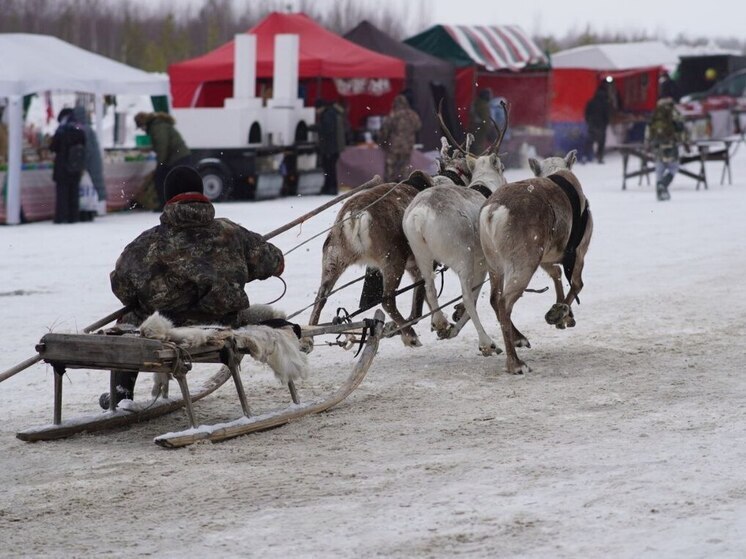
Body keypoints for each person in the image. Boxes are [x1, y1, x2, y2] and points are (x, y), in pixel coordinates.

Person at [100, 166, 285, 408]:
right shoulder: (232, 233)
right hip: (224, 324)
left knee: (129, 318)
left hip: (166, 329)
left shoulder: (146, 243)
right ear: (201, 194)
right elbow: (276, 262)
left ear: (168, 199)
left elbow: (122, 289)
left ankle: (122, 392)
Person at [134, 112, 191, 211]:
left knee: (160, 178)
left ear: (143, 123)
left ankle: (165, 204)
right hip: (180, 156)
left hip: (177, 157)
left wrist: (160, 164)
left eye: (141, 127)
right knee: (174, 181)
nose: (142, 130)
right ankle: (173, 204)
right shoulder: (158, 124)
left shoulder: (157, 126)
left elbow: (162, 146)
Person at [645, 96, 690, 201]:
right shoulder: (673, 112)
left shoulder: (655, 113)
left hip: (656, 144)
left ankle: (659, 193)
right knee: (674, 167)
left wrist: (647, 143)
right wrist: (685, 142)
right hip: (670, 143)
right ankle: (663, 185)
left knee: (659, 168)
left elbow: (648, 128)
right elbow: (681, 128)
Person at [49, 108, 86, 224]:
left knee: (62, 193)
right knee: (74, 192)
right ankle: (73, 216)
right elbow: (84, 145)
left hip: (62, 166)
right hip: (76, 166)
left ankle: (61, 216)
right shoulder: (79, 129)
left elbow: (53, 147)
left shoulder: (61, 130)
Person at [72, 105, 106, 218]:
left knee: (87, 188)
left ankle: (88, 210)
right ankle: (98, 208)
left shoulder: (81, 129)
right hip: (94, 162)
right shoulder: (88, 128)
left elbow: (84, 150)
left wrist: (82, 164)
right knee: (96, 185)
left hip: (87, 163)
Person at [378, 94, 421, 182]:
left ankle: (389, 185)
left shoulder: (394, 115)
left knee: (391, 167)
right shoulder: (413, 115)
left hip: (394, 146)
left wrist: (382, 142)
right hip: (408, 146)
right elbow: (418, 126)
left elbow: (385, 130)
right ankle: (404, 184)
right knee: (405, 167)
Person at [312, 99, 343, 195]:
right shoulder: (331, 113)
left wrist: (315, 128)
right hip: (333, 147)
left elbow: (327, 129)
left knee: (329, 168)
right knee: (329, 168)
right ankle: (329, 187)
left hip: (330, 148)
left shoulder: (328, 115)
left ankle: (331, 187)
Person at [584, 83, 611, 163]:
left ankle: (586, 156)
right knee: (601, 142)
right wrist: (606, 123)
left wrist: (588, 121)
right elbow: (607, 115)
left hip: (592, 124)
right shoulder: (605, 104)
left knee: (590, 141)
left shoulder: (591, 102)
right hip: (601, 125)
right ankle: (600, 157)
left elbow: (586, 113)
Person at [470, 88, 493, 154]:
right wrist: (488, 130)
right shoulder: (482, 105)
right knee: (479, 145)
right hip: (480, 127)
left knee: (475, 144)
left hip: (475, 126)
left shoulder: (477, 102)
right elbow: (485, 119)